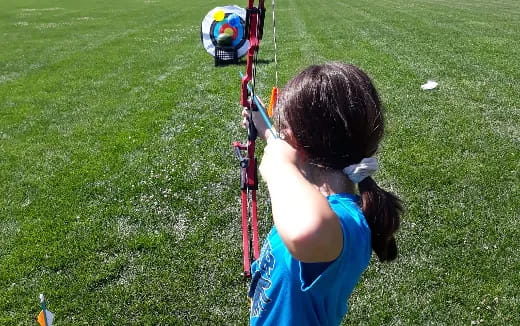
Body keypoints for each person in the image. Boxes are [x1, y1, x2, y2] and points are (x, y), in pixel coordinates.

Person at [242, 62, 403, 325]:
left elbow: (308, 231)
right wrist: (270, 136)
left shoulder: (345, 222)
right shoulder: (332, 205)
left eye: (284, 132)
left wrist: (278, 163)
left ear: (295, 143)